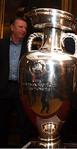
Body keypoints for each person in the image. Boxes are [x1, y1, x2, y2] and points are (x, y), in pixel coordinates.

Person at [0, 16, 35, 147]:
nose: (24, 30)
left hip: (22, 91)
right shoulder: (1, 44)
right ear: (12, 27)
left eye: (25, 27)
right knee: (2, 124)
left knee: (24, 124)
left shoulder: (29, 48)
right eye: (20, 27)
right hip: (3, 89)